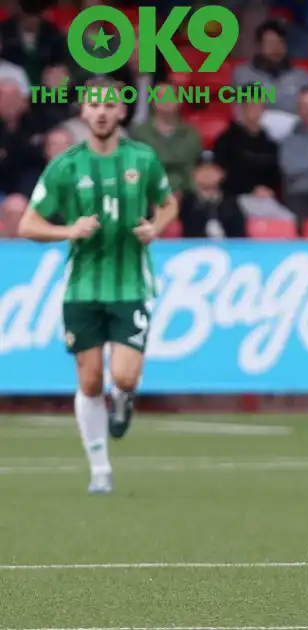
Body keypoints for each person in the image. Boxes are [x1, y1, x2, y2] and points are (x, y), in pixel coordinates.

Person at [16, 76, 179, 495]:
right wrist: (69, 230)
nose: (102, 112)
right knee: (89, 382)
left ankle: (124, 399)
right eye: (95, 105)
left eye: (110, 106)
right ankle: (100, 469)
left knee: (124, 376)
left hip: (130, 284)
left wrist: (156, 226)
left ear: (121, 111)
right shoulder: (66, 165)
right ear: (84, 111)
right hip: (82, 288)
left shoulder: (142, 158)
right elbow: (28, 225)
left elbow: (169, 203)